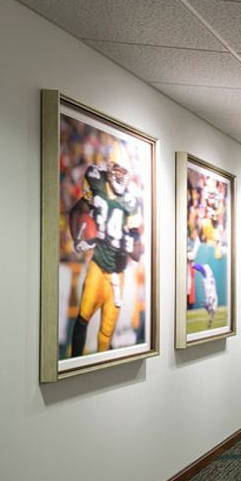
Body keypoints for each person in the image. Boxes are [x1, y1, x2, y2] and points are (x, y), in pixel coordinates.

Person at [68, 147, 144, 357]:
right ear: (109, 168)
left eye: (124, 171)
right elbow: (77, 210)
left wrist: (133, 246)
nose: (120, 175)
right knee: (83, 317)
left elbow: (138, 245)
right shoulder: (96, 180)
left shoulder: (132, 199)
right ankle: (75, 363)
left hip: (117, 275)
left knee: (106, 334)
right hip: (98, 264)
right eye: (117, 170)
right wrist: (77, 239)